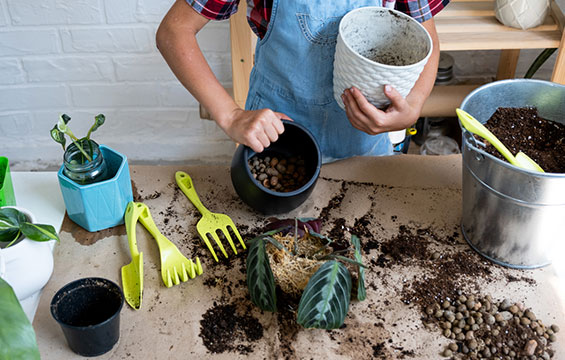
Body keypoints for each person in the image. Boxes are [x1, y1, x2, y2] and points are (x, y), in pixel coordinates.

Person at [156, 0, 449, 163]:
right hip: (275, 140)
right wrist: (231, 115)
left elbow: (426, 40)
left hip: (364, 143)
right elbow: (174, 32)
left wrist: (413, 104)